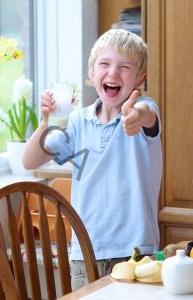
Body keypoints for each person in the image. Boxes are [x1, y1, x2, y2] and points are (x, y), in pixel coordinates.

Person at [23, 28, 162, 290]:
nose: (113, 73)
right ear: (91, 73)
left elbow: (146, 115)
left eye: (125, 67)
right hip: (85, 251)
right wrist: (45, 122)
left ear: (140, 78)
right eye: (105, 64)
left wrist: (134, 118)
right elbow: (30, 161)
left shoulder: (145, 110)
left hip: (137, 250)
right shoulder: (77, 122)